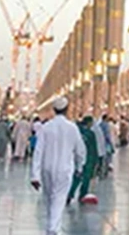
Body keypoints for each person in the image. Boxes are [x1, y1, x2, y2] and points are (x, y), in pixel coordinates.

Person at [31, 97, 86, 235]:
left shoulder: (45, 127)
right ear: (67, 110)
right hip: (64, 169)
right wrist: (80, 167)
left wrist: (35, 175)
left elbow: (38, 151)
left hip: (46, 168)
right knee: (59, 199)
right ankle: (53, 229)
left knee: (50, 198)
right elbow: (80, 150)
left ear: (54, 110)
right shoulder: (72, 128)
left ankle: (52, 226)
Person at [67, 117, 98, 205]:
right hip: (88, 158)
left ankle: (70, 194)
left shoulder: (76, 131)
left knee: (76, 177)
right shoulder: (90, 134)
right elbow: (93, 148)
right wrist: (96, 161)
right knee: (86, 178)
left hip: (76, 158)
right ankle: (82, 195)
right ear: (89, 123)